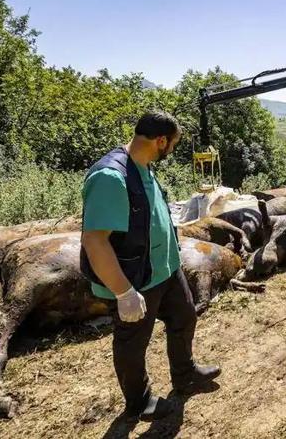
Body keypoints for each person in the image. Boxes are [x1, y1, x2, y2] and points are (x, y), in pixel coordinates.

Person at [80, 111, 220, 422]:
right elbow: (95, 241)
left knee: (185, 316)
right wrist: (124, 292)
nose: (172, 150)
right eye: (172, 144)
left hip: (165, 270)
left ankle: (185, 375)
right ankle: (138, 402)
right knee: (133, 343)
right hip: (135, 280)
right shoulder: (110, 177)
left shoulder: (142, 166)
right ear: (160, 140)